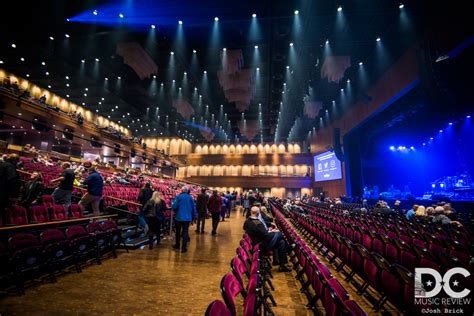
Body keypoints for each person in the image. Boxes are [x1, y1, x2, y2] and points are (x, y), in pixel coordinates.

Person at [243, 206, 291, 272]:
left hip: (257, 242)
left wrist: (270, 232)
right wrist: (273, 232)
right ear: (258, 213)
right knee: (280, 234)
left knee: (281, 242)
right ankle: (289, 248)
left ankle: (282, 265)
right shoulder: (257, 223)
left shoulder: (247, 221)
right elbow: (266, 236)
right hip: (261, 245)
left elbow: (258, 232)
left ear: (251, 212)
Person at [171, 186, 196, 253]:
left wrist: (175, 210)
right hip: (187, 218)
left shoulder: (179, 197)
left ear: (182, 190)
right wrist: (194, 217)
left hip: (179, 217)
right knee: (185, 232)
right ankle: (184, 248)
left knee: (178, 232)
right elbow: (193, 208)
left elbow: (174, 206)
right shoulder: (190, 198)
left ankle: (177, 245)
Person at [0, 154, 22, 224]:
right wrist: (14, 196)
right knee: (4, 212)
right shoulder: (10, 166)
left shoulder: (3, 164)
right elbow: (12, 181)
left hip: (2, 190)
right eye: (17, 161)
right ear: (14, 160)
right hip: (5, 193)